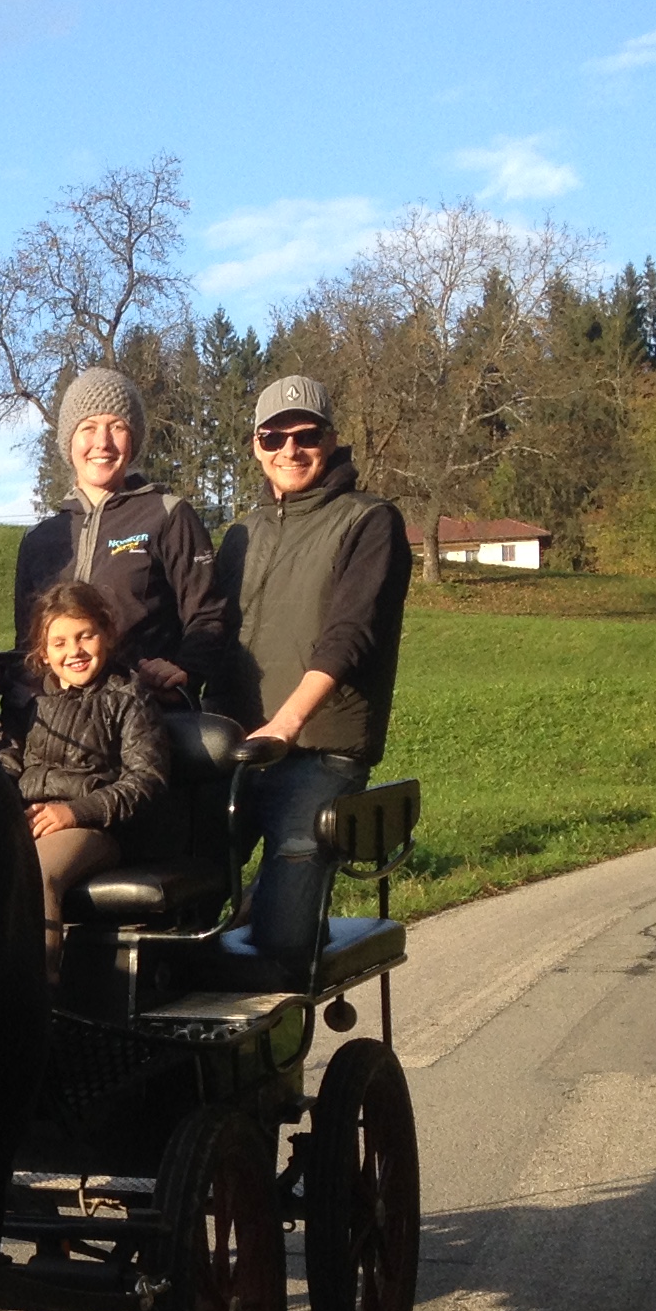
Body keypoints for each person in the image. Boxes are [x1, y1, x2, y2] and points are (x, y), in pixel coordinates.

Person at [211, 373, 413, 975]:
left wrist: (287, 723)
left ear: (330, 439)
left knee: (282, 949)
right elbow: (214, 637)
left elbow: (350, 635)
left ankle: (274, 907)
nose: (289, 451)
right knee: (177, 907)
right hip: (238, 746)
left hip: (319, 751)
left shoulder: (369, 520)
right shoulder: (241, 532)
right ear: (255, 446)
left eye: (305, 435)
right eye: (273, 438)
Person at [7, 366, 225, 702]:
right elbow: (27, 643)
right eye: (88, 428)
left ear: (133, 438)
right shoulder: (39, 538)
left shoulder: (168, 514)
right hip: (58, 724)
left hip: (144, 713)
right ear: (69, 440)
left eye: (117, 427)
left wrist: (185, 674)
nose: (102, 443)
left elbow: (207, 614)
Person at [0, 580, 170, 977]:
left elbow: (147, 780)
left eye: (84, 636)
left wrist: (74, 812)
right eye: (58, 643)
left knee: (36, 871)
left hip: (99, 828)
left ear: (107, 634)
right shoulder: (26, 700)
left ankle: (40, 1002)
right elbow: (3, 760)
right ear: (43, 652)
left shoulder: (128, 697)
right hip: (30, 819)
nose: (73, 651)